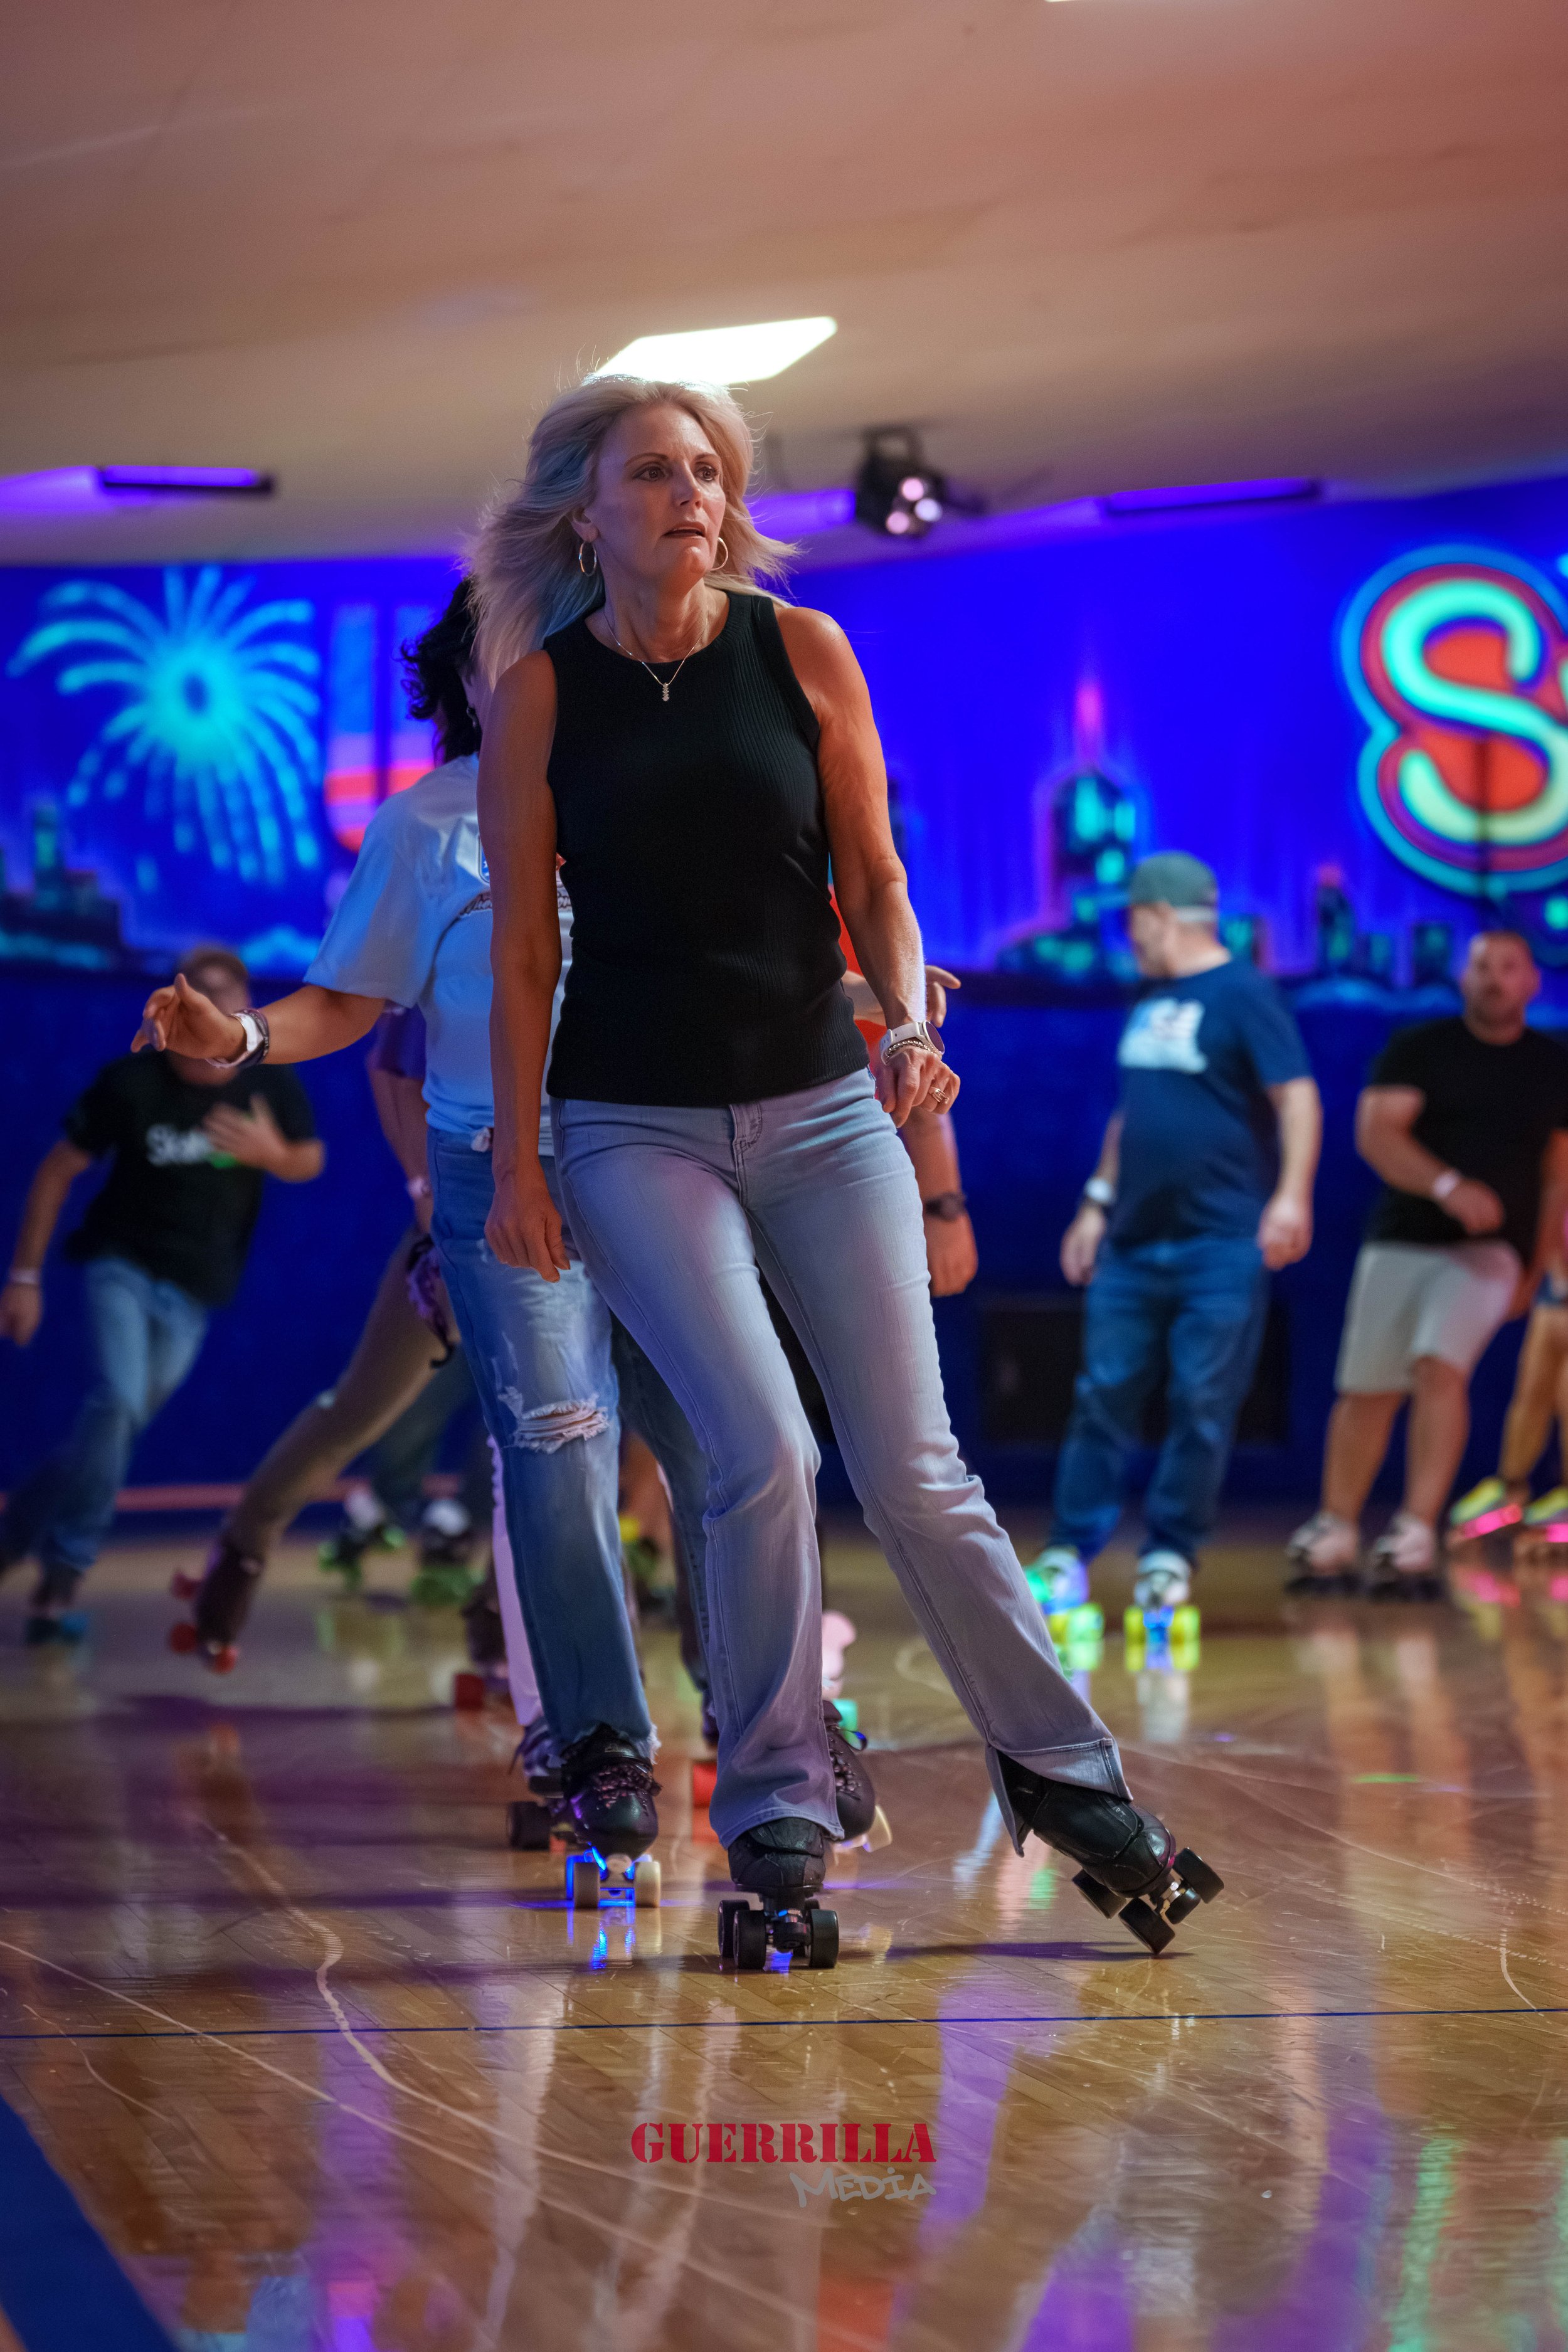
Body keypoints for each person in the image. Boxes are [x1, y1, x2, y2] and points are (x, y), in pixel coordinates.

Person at [469, 369, 1222, 1959]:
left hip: (823, 1103)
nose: (689, 494)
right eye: (652, 471)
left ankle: (1066, 1777)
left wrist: (900, 1023)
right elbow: (525, 948)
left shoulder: (799, 650)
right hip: (629, 1124)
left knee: (916, 1467)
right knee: (758, 1451)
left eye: (706, 470)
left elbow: (875, 876)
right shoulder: (537, 695)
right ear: (585, 514)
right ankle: (774, 1801)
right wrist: (519, 1160)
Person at [137, 588, 880, 1859]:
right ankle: (598, 1741)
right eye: (515, 654)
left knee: (731, 1440)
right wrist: (246, 1035)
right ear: (467, 682)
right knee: (558, 1438)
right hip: (499, 1167)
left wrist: (868, 996)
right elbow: (348, 1006)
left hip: (663, 1148)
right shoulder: (426, 826)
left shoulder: (655, 785)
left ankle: (776, 1719)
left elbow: (741, 952)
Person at [0, 946, 321, 1642]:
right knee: (116, 1403)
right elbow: (55, 1172)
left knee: (109, 1432)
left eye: (233, 1015)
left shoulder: (267, 1081)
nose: (219, 1031)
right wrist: (23, 1278)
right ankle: (63, 1577)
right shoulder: (131, 1083)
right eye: (206, 1013)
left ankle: (12, 1540)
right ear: (180, 1016)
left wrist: (273, 1155)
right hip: (120, 1267)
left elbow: (309, 1158)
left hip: (197, 1290)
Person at [1033, 853, 1320, 1615]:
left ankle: (1169, 1552)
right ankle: (1068, 1552)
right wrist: (1095, 1202)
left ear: (1159, 916)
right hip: (1132, 1242)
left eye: (1132, 921)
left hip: (1218, 1243)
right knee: (1101, 1396)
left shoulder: (1245, 993)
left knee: (1201, 1401)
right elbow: (1132, 1114)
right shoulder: (1149, 996)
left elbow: (1297, 1099)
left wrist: (1291, 1197)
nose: (1128, 937)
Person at [1288, 930, 1568, 1596]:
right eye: (1482, 967)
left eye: (1508, 968)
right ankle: (1337, 1527)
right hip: (1402, 1240)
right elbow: (1376, 1133)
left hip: (1493, 1252)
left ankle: (1416, 1528)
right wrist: (1447, 1186)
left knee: (1439, 1365)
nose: (1494, 980)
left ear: (1531, 981)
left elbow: (1558, 1173)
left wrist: (1540, 1266)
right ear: (1462, 978)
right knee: (1368, 1387)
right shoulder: (1420, 1048)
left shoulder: (1551, 1065)